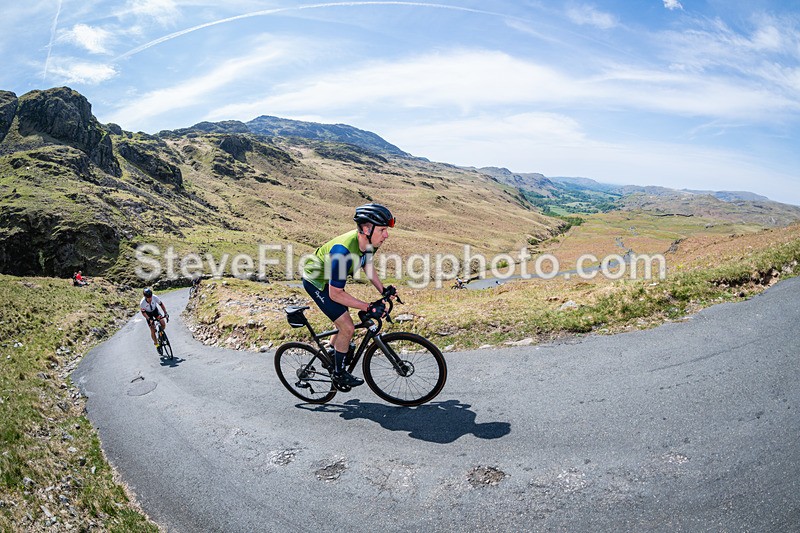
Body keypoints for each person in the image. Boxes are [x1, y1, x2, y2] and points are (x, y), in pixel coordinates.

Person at [302, 203, 396, 387]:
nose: (386, 235)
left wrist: (383, 290)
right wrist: (368, 307)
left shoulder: (369, 242)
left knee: (342, 317)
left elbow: (366, 264)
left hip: (330, 280)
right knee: (347, 326)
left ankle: (332, 352)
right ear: (367, 229)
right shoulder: (342, 252)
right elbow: (335, 294)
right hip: (316, 282)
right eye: (383, 230)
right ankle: (338, 374)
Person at [140, 287, 169, 355]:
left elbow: (161, 304)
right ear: (145, 297)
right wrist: (149, 319)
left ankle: (161, 334)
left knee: (163, 323)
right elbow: (143, 312)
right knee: (152, 330)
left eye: (150, 297)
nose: (150, 299)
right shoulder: (142, 303)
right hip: (148, 314)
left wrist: (165, 313)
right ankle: (156, 344)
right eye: (148, 298)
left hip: (155, 311)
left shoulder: (154, 297)